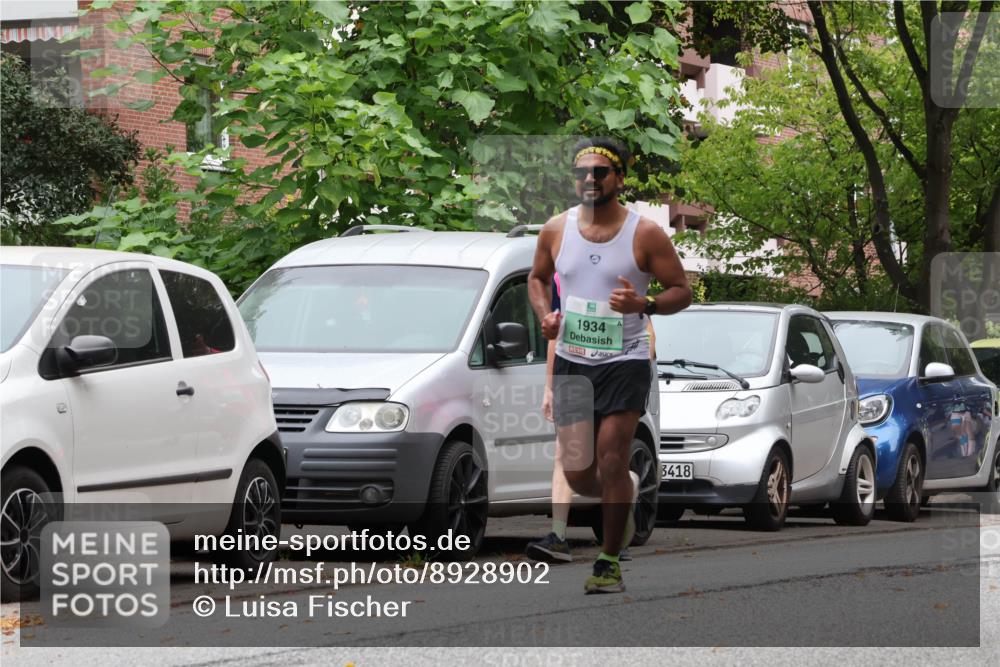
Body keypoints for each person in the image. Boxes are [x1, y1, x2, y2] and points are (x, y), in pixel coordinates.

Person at [528, 137, 691, 594]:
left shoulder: (645, 234)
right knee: (579, 473)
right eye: (582, 173)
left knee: (613, 454)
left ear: (619, 179)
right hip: (573, 360)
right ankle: (626, 486)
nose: (590, 180)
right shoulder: (556, 230)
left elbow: (683, 289)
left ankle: (608, 561)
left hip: (625, 359)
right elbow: (537, 279)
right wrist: (547, 316)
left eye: (600, 172)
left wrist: (647, 303)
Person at [525, 277, 656, 564]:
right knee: (565, 453)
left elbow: (647, 332)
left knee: (608, 459)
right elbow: (556, 336)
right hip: (575, 374)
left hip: (616, 376)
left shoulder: (623, 274)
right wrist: (550, 387)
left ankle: (620, 517)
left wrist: (633, 373)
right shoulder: (564, 278)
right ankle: (558, 537)